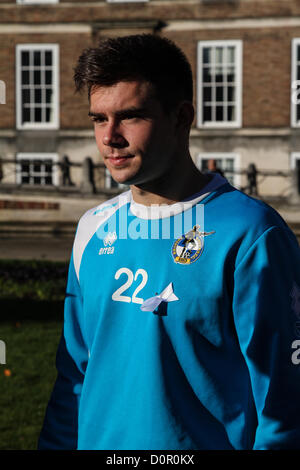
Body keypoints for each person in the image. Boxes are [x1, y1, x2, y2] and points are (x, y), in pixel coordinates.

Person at [38, 34, 300, 450]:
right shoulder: (92, 228)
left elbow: (284, 405)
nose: (110, 137)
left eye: (130, 116)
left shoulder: (251, 233)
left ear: (182, 117)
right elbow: (74, 377)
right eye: (98, 119)